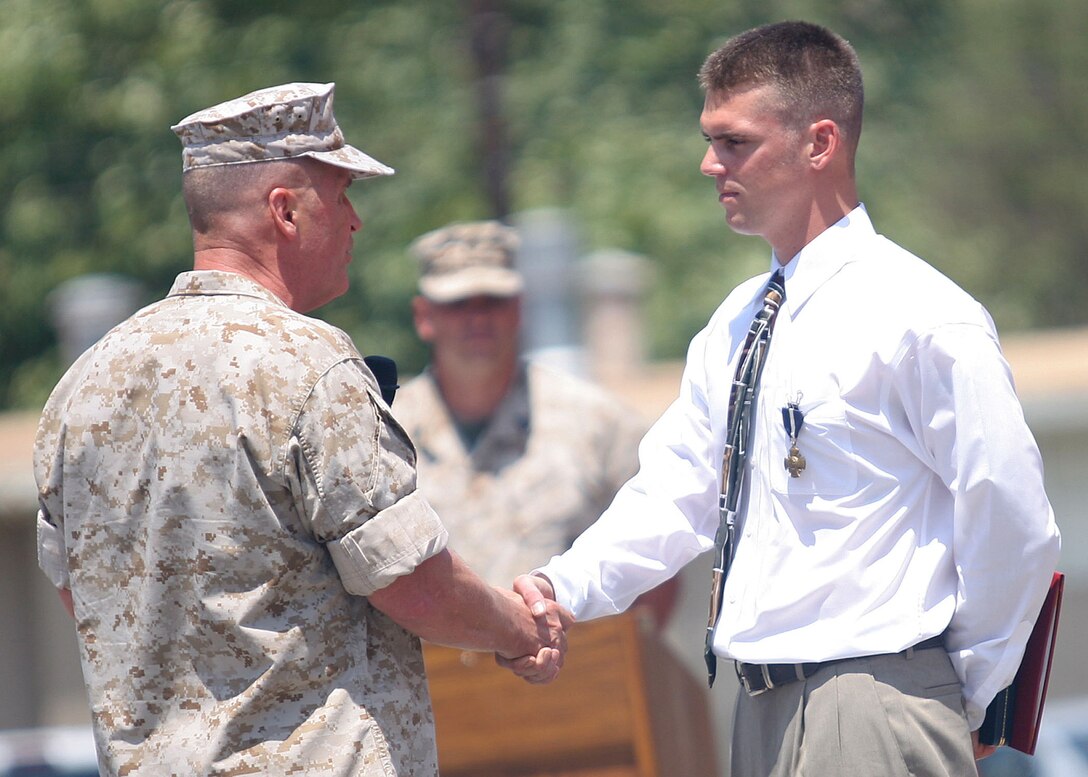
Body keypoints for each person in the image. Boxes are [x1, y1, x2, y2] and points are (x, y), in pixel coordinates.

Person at [509, 21, 1061, 777]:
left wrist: (964, 692)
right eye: (710, 139)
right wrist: (557, 587)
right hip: (762, 709)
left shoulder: (921, 315)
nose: (709, 164)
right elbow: (673, 496)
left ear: (820, 143)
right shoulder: (736, 322)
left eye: (734, 141)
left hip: (875, 695)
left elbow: (1014, 519)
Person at [33, 82, 570, 777]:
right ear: (284, 210)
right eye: (342, 195)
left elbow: (84, 596)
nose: (355, 222)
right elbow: (410, 582)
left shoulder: (80, 387)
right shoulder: (307, 365)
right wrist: (518, 627)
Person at [393, 220, 678, 627]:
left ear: (519, 309)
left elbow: (656, 561)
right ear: (424, 316)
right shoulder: (383, 433)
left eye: (492, 300)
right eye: (457, 304)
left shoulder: (599, 423)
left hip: (574, 678)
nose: (477, 318)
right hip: (434, 685)